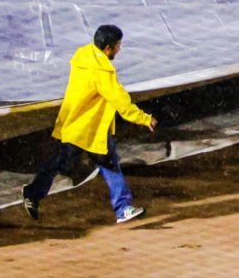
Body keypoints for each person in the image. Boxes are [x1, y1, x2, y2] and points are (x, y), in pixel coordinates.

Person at [22, 24, 155, 224]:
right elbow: (121, 102)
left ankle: (32, 194)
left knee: (70, 163)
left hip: (77, 126)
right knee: (105, 165)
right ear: (108, 48)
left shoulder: (83, 55)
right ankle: (122, 208)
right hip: (90, 129)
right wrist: (145, 119)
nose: (119, 49)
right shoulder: (102, 71)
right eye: (118, 46)